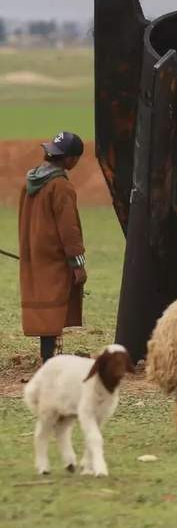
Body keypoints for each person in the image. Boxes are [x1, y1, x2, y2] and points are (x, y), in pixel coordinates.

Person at [18, 131, 87, 363]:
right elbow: (70, 230)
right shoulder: (61, 186)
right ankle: (51, 360)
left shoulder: (30, 182)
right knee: (55, 309)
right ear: (70, 160)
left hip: (34, 255)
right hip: (55, 259)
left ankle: (48, 356)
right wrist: (78, 264)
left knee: (45, 310)